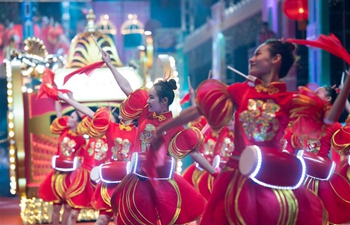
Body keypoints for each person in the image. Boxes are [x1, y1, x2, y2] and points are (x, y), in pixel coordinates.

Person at [150, 39, 350, 224]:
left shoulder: (289, 99)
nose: (252, 58)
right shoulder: (240, 91)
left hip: (272, 176)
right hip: (237, 175)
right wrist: (164, 128)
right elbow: (199, 109)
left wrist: (348, 84)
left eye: (258, 54)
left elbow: (329, 119)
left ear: (276, 59)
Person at [99, 49, 216, 225]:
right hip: (137, 179)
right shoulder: (145, 113)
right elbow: (126, 88)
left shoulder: (175, 125)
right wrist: (109, 64)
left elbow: (194, 152)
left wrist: (214, 172)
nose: (147, 101)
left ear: (164, 102)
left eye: (151, 98)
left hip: (161, 182)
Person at [57, 94, 137, 225]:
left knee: (121, 220)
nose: (123, 109)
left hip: (127, 182)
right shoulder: (111, 128)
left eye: (126, 108)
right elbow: (88, 113)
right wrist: (68, 100)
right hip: (110, 180)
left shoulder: (139, 132)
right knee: (102, 219)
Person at [283, 85, 350, 224]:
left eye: (317, 93)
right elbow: (289, 141)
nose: (313, 95)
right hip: (300, 175)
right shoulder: (301, 122)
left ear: (328, 98)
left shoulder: (334, 126)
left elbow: (346, 138)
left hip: (321, 178)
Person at [38, 99, 86, 225]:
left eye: (72, 117)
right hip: (58, 174)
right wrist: (56, 97)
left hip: (70, 176)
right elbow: (58, 112)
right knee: (56, 207)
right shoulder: (64, 131)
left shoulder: (81, 140)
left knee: (68, 207)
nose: (68, 119)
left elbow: (81, 158)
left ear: (77, 121)